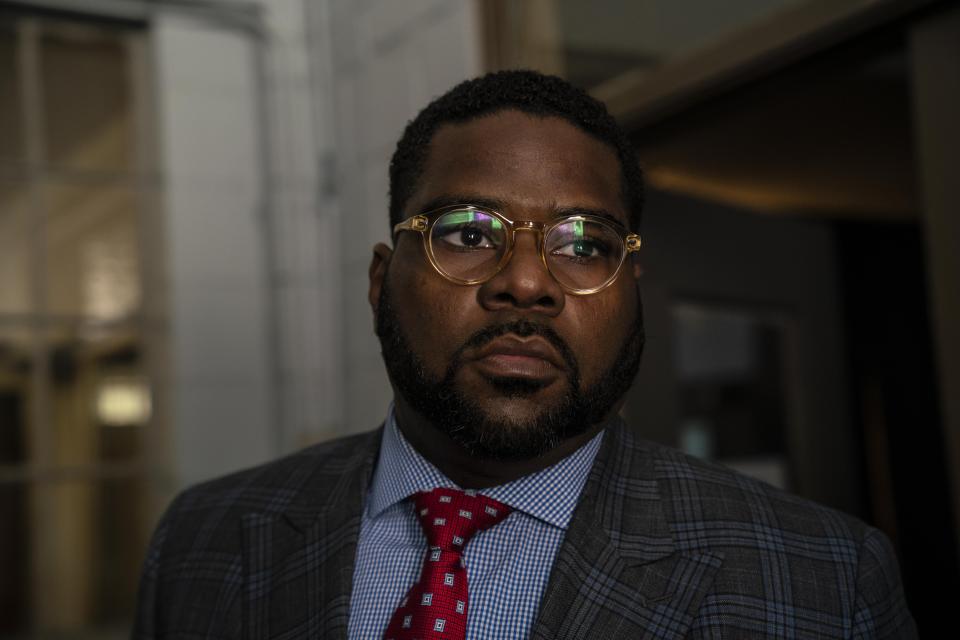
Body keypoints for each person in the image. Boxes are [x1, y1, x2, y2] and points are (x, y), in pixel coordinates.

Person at [133, 70, 916, 639]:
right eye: (470, 233)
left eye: (584, 244)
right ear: (381, 281)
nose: (527, 283)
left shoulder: (825, 580)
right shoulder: (203, 539)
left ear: (631, 290)